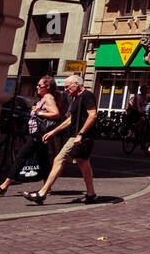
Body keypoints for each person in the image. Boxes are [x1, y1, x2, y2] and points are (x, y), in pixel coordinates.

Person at [23, 74, 96, 205]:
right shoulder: (77, 98)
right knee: (84, 164)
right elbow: (71, 120)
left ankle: (42, 193)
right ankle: (91, 194)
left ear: (76, 85)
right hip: (78, 136)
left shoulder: (87, 95)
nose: (66, 90)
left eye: (68, 87)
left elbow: (93, 115)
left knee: (58, 159)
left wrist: (80, 134)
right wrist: (54, 131)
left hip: (79, 136)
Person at [0, 76, 63, 195]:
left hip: (38, 134)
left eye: (39, 85)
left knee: (21, 157)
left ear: (47, 87)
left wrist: (39, 112)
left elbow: (56, 114)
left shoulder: (48, 98)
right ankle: (47, 187)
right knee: (43, 162)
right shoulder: (44, 98)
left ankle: (3, 186)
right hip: (38, 134)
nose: (37, 87)